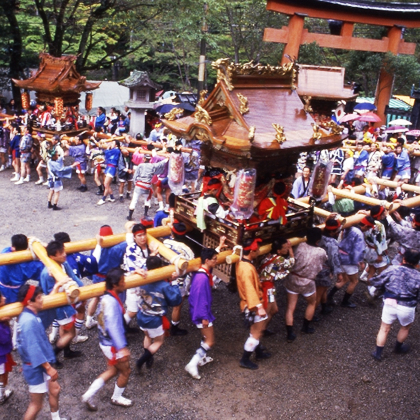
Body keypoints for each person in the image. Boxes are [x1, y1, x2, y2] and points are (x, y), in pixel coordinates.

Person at [82, 267, 133, 410]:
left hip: (104, 341)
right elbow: (113, 326)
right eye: (123, 281)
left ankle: (88, 395)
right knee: (125, 371)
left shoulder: (106, 297)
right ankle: (116, 397)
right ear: (115, 284)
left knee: (111, 370)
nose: (125, 283)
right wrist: (121, 348)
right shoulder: (111, 302)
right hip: (112, 344)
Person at [17, 284, 69, 420]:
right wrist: (48, 368)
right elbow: (33, 349)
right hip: (36, 368)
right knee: (36, 405)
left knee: (55, 390)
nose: (43, 299)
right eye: (39, 297)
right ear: (30, 302)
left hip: (40, 364)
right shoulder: (28, 322)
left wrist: (56, 288)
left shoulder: (31, 315)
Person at [369, 249, 420, 361]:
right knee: (405, 327)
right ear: (417, 263)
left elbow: (377, 281)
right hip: (407, 306)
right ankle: (398, 347)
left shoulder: (392, 269)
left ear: (404, 258)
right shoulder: (418, 276)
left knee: (384, 328)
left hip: (390, 302)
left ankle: (378, 353)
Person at [40, 241, 84, 366]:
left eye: (63, 251)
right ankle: (53, 355)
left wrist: (82, 289)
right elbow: (49, 295)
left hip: (66, 303)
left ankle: (67, 351)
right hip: (61, 307)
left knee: (64, 329)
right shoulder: (47, 273)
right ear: (52, 257)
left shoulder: (62, 263)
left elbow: (73, 278)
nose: (64, 254)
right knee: (71, 333)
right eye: (61, 253)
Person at [135, 256, 182, 371]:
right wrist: (175, 281)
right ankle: (141, 360)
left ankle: (148, 356)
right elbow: (176, 299)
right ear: (161, 268)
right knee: (158, 341)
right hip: (154, 319)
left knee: (147, 336)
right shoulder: (163, 285)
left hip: (141, 315)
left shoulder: (140, 278)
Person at [284, 228, 327, 341]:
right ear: (318, 239)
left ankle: (289, 333)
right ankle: (305, 327)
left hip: (293, 278)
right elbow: (323, 262)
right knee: (312, 303)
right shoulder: (321, 252)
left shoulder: (298, 246)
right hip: (308, 281)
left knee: (290, 307)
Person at [236, 237, 271, 370]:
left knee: (257, 330)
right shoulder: (247, 269)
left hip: (250, 302)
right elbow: (250, 289)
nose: (258, 252)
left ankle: (258, 351)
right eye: (256, 250)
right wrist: (259, 307)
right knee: (256, 332)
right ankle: (245, 359)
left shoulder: (242, 263)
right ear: (251, 251)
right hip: (252, 304)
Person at [185, 247, 220, 379]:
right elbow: (200, 299)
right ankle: (193, 363)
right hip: (201, 313)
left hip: (200, 311)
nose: (216, 262)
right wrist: (204, 317)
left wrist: (220, 246)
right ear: (207, 260)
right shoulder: (202, 278)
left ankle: (201, 359)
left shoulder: (201, 272)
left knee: (205, 337)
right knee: (210, 341)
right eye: (214, 259)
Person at [86, 225, 127, 329]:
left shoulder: (96, 247)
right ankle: (111, 324)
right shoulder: (117, 248)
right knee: (113, 301)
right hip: (112, 278)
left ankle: (88, 320)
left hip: (97, 276)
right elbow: (129, 240)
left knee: (96, 297)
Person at [327, 218, 369, 308]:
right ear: (365, 226)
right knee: (354, 281)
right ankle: (345, 301)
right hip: (349, 259)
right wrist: (361, 262)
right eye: (368, 228)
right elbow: (359, 250)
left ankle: (329, 296)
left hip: (340, 254)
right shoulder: (359, 234)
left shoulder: (349, 227)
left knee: (344, 279)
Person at [123, 222, 159, 326]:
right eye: (139, 235)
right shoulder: (131, 249)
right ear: (134, 237)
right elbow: (143, 266)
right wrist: (153, 255)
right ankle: (121, 328)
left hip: (147, 281)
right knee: (132, 310)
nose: (142, 238)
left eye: (144, 234)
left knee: (146, 305)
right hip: (134, 281)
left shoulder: (148, 245)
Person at [257, 237, 295, 335]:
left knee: (274, 310)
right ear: (279, 251)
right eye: (285, 248)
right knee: (265, 313)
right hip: (267, 288)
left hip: (265, 284)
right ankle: (258, 334)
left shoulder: (268, 256)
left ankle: (263, 329)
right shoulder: (280, 259)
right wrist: (291, 250)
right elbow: (291, 263)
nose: (286, 249)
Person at [315, 216, 344, 316]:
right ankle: (310, 316)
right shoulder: (332, 242)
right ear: (334, 232)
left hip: (315, 267)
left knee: (323, 290)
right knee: (318, 294)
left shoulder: (319, 237)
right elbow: (334, 258)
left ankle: (324, 308)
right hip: (324, 270)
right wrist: (339, 273)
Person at [127, 153, 168, 220]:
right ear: (149, 159)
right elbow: (160, 164)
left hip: (139, 185)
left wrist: (135, 183)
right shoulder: (152, 166)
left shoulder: (140, 165)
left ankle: (130, 216)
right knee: (147, 200)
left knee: (134, 200)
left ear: (144, 158)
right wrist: (167, 159)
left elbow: (135, 176)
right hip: (147, 185)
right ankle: (145, 214)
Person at [0, 290, 16, 405]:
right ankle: (1, 395)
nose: (5, 298)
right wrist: (5, 324)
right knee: (2, 374)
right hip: (1, 354)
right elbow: (4, 339)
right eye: (2, 298)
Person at [97, 140, 120, 205]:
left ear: (116, 145)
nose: (111, 144)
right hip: (108, 167)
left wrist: (107, 148)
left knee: (106, 184)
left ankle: (103, 199)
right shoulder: (112, 150)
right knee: (106, 183)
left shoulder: (116, 150)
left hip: (112, 168)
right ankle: (112, 197)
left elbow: (107, 153)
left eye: (113, 143)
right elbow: (106, 155)